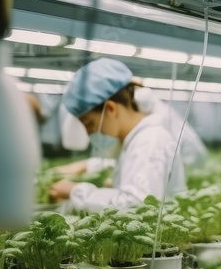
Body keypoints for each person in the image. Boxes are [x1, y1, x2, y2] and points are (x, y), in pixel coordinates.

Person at [47, 59, 186, 212]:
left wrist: (76, 191)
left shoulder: (149, 141)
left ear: (111, 109)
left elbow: (136, 206)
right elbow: (132, 165)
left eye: (89, 124)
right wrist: (85, 166)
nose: (89, 133)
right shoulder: (138, 139)